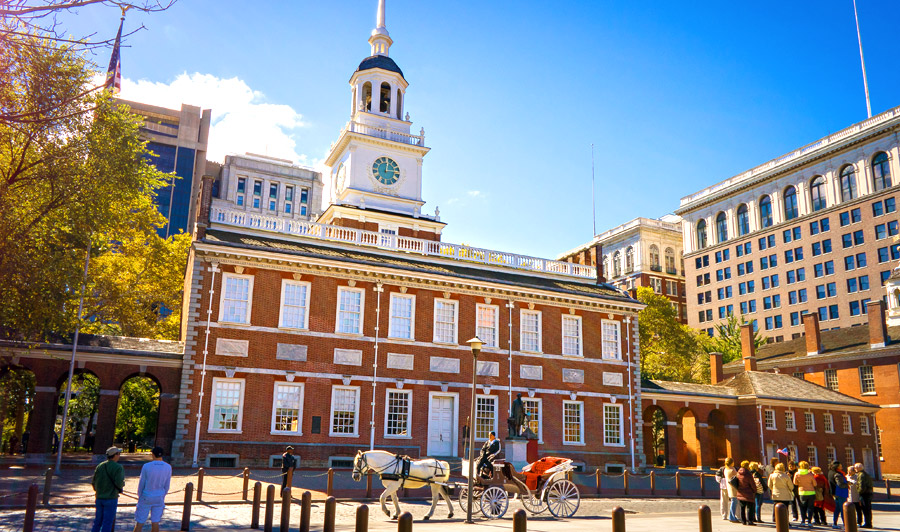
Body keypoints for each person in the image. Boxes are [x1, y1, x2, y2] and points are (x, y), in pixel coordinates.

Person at [133, 446, 172, 532]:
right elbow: (167, 485)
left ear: (153, 454)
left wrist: (140, 495)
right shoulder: (168, 467)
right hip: (159, 496)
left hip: (146, 495)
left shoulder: (147, 466)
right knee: (155, 522)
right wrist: (163, 494)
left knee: (140, 522)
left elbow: (142, 483)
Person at [92, 446, 125, 532]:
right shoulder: (118, 467)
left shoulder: (100, 466)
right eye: (119, 454)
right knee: (107, 523)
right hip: (111, 497)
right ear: (115, 455)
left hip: (99, 497)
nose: (119, 455)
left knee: (97, 522)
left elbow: (94, 481)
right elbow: (119, 483)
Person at [793, 460, 817, 527]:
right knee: (810, 507)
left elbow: (795, 483)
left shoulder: (797, 474)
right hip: (811, 492)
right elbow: (815, 484)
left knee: (802, 507)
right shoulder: (810, 474)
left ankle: (803, 520)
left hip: (802, 492)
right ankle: (809, 521)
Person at [736, 460, 757, 525]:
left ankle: (743, 521)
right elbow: (752, 484)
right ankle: (750, 521)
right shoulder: (748, 474)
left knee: (742, 508)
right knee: (749, 507)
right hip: (748, 493)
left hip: (740, 492)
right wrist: (755, 490)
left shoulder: (738, 473)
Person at [831, 462, 849, 530]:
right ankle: (846, 524)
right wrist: (848, 484)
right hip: (841, 493)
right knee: (843, 509)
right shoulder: (838, 475)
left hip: (840, 494)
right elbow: (840, 484)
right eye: (840, 465)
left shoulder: (840, 474)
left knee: (837, 509)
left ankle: (835, 523)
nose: (842, 466)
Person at [854, 463, 873, 528]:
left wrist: (859, 493)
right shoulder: (865, 474)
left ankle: (868, 524)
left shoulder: (861, 475)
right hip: (868, 493)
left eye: (856, 468)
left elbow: (862, 486)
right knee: (867, 509)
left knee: (865, 509)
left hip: (864, 494)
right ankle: (868, 523)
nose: (855, 469)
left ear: (859, 468)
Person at [724, 457, 740, 522]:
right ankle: (732, 516)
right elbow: (738, 476)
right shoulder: (732, 470)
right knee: (734, 502)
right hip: (734, 487)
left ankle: (732, 516)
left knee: (733, 501)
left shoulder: (725, 469)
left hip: (729, 487)